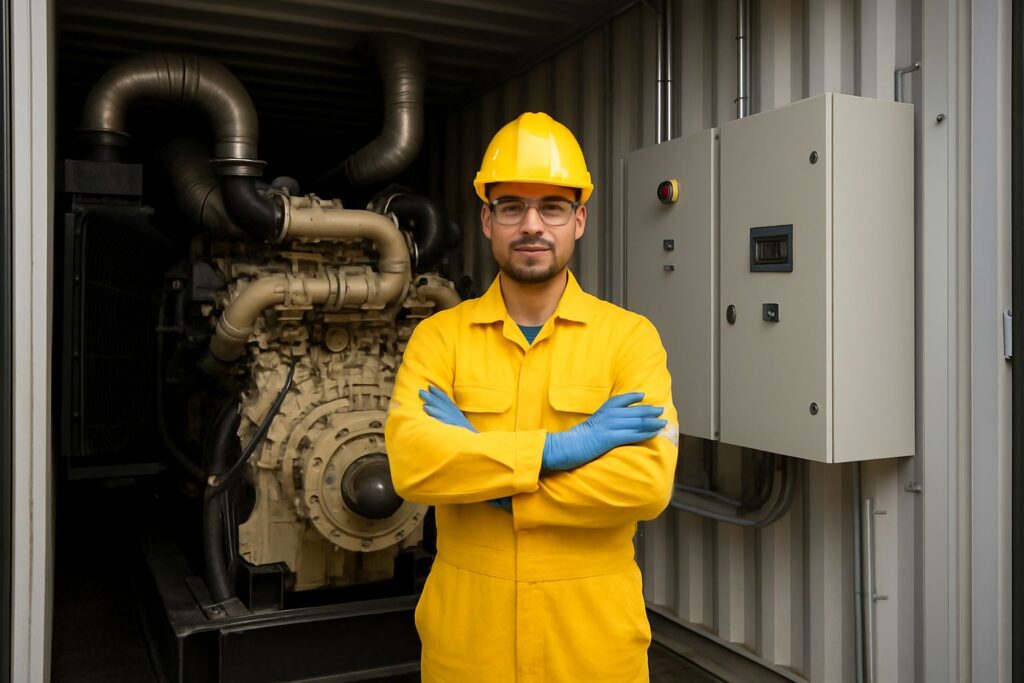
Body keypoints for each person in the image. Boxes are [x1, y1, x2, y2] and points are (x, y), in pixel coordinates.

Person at [384, 112, 679, 683]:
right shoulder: (439, 337)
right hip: (470, 645)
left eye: (553, 207)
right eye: (512, 206)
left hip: (592, 646)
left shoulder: (630, 339)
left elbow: (645, 483)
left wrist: (487, 474)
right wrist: (562, 448)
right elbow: (413, 464)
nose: (532, 225)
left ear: (580, 220)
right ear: (487, 220)